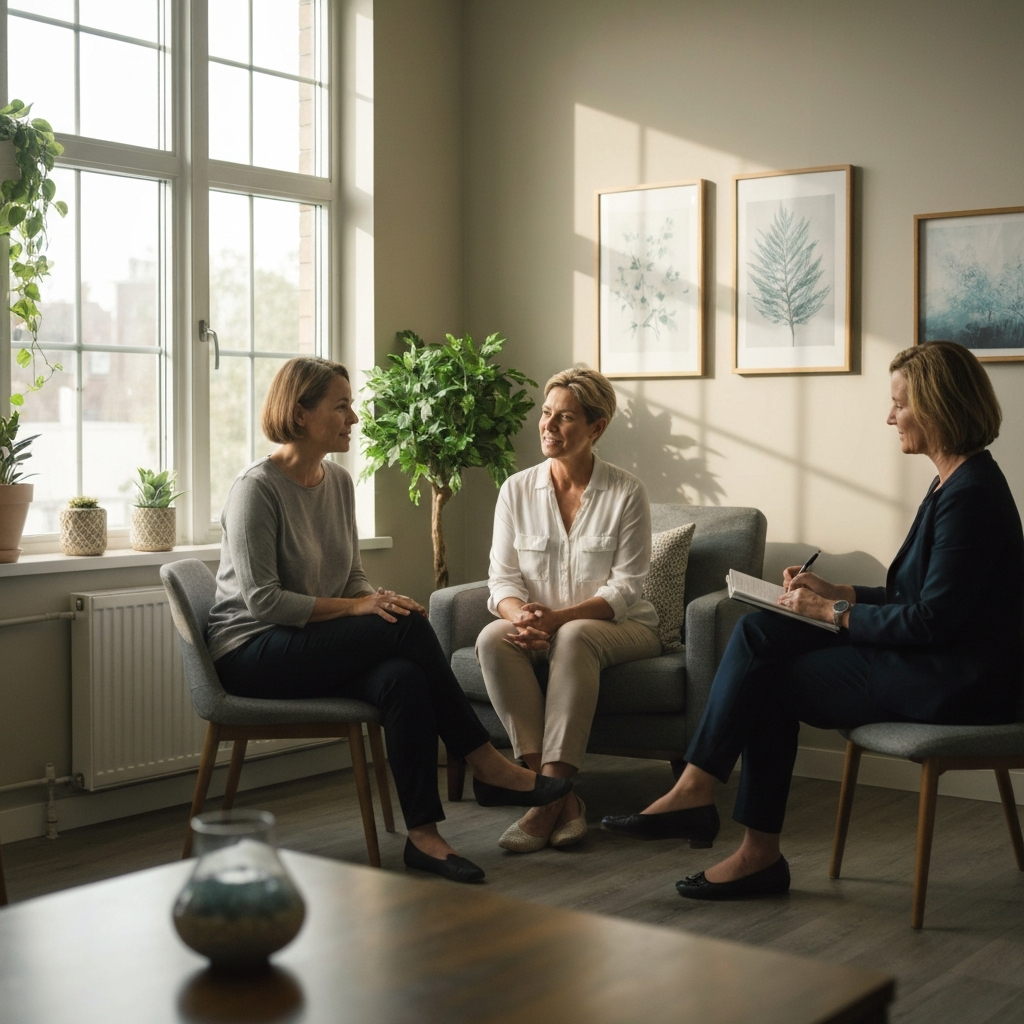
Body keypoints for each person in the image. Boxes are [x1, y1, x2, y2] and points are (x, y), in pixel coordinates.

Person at [602, 341, 1024, 900]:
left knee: (766, 681)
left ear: (937, 406)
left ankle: (738, 835)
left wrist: (831, 612)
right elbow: (918, 597)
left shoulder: (970, 495)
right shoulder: (955, 482)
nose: (890, 416)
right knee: (759, 630)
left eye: (900, 404)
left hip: (955, 681)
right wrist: (838, 591)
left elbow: (931, 621)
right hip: (933, 661)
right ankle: (703, 796)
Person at [205, 356, 572, 884]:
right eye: (341, 407)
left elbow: (350, 575)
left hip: (308, 644)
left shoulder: (337, 482)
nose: (354, 418)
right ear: (301, 413)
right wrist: (359, 609)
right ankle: (486, 762)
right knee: (406, 629)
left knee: (402, 676)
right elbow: (263, 602)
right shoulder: (255, 490)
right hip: (251, 652)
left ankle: (425, 839)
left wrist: (375, 598)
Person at [477, 366, 663, 853]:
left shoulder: (627, 492)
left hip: (621, 627)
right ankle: (558, 796)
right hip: (542, 627)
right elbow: (502, 580)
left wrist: (557, 620)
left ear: (596, 427)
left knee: (574, 635)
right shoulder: (515, 490)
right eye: (546, 413)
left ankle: (543, 807)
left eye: (565, 417)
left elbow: (625, 589)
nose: (549, 425)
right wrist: (521, 617)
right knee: (491, 638)